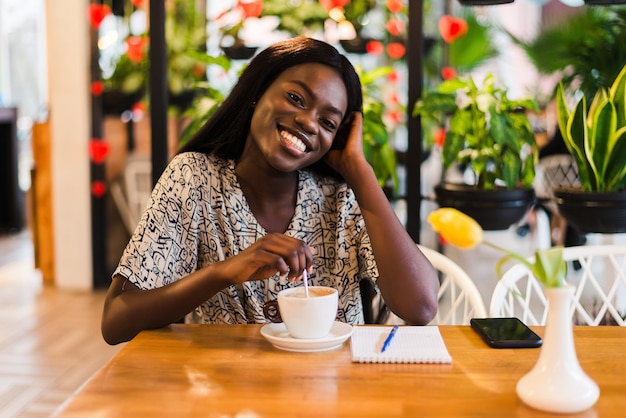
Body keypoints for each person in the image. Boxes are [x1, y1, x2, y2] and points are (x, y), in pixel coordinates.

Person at [101, 37, 439, 345]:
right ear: (257, 93)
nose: (309, 122)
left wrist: (360, 171)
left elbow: (421, 307)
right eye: (296, 98)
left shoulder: (342, 197)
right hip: (231, 397)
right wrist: (225, 272)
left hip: (337, 393)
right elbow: (116, 321)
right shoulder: (195, 178)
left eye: (328, 122)